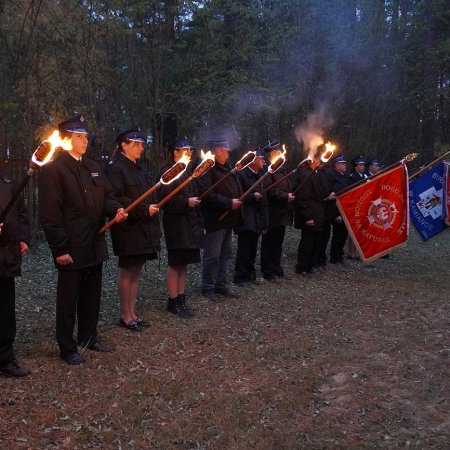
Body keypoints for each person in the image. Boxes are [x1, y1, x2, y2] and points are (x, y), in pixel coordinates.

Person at [39, 115, 127, 365]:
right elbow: (50, 214)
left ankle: (88, 337)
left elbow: (107, 195)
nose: (85, 140)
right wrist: (60, 248)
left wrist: (116, 209)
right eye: (79, 136)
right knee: (68, 300)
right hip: (72, 246)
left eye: (86, 136)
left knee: (91, 295)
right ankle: (67, 347)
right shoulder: (54, 169)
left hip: (95, 243)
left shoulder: (93, 166)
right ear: (66, 139)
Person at [105, 128, 161, 331]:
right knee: (128, 271)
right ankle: (125, 315)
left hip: (144, 227)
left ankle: (132, 313)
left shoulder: (140, 168)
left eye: (141, 144)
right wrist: (144, 209)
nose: (141, 147)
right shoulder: (115, 169)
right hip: (128, 229)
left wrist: (151, 207)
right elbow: (118, 198)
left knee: (137, 271)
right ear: (124, 145)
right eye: (136, 144)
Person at [158, 137, 203, 317]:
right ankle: (173, 300)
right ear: (175, 152)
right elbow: (164, 201)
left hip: (190, 223)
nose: (189, 153)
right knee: (175, 263)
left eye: (191, 150)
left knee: (184, 263)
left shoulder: (188, 171)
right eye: (185, 150)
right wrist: (186, 202)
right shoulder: (167, 172)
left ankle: (181, 298)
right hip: (176, 224)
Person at [197, 136, 242, 302]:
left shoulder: (227, 168)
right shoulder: (206, 169)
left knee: (226, 253)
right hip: (214, 219)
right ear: (216, 151)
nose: (227, 155)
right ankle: (208, 286)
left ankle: (220, 283)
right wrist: (228, 202)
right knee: (213, 255)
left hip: (228, 219)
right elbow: (207, 194)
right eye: (225, 151)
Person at [0, 171, 31, 377]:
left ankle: (4, 357)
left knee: (5, 311)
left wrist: (24, 238)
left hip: (5, 258)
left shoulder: (7, 180)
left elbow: (21, 214)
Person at [233, 149, 268, 287]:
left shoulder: (260, 175)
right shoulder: (241, 175)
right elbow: (238, 195)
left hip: (257, 217)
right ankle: (240, 277)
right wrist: (252, 197)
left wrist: (265, 221)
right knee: (244, 248)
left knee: (253, 248)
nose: (264, 161)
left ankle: (250, 274)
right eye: (261, 158)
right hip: (245, 217)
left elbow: (264, 201)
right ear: (253, 160)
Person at [260, 143, 295, 282]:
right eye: (277, 151)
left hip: (282, 213)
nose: (280, 153)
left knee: (278, 243)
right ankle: (267, 271)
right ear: (272, 155)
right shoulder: (268, 171)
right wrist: (284, 196)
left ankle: (276, 268)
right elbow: (269, 190)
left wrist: (288, 196)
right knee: (269, 243)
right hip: (272, 213)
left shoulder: (283, 170)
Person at [293, 158, 328, 275]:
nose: (321, 163)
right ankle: (302, 266)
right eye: (318, 160)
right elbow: (302, 198)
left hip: (318, 213)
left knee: (316, 241)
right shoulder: (306, 175)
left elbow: (320, 194)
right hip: (310, 215)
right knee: (307, 242)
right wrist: (307, 217)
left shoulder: (317, 174)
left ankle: (310, 265)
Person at [319, 155, 351, 265]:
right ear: (337, 165)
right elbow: (333, 196)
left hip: (343, 211)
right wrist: (336, 214)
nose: (345, 165)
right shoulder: (331, 175)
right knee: (330, 236)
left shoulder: (343, 176)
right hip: (333, 211)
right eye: (343, 163)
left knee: (342, 235)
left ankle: (338, 255)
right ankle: (333, 256)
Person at [346, 155, 367, 259]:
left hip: (363, 205)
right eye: (360, 165)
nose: (362, 166)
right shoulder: (352, 177)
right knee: (353, 229)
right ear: (355, 166)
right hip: (355, 206)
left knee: (360, 229)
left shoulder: (364, 176)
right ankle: (351, 252)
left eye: (363, 165)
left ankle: (358, 251)